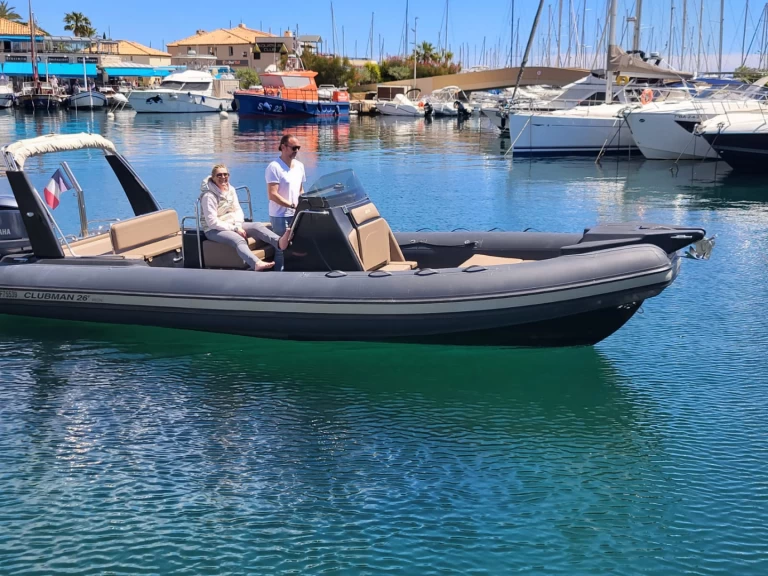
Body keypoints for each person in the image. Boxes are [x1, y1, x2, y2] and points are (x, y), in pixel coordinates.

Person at [200, 164, 291, 271]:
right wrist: (235, 229)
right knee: (238, 239)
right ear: (213, 177)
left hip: (233, 224)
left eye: (226, 174)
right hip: (213, 230)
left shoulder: (231, 190)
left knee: (257, 226)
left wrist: (238, 225)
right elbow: (212, 222)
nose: (223, 177)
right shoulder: (209, 196)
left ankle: (279, 242)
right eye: (219, 175)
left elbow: (238, 210)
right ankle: (256, 263)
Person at [265, 134, 305, 271]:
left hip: (296, 214)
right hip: (280, 216)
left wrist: (303, 204)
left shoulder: (299, 166)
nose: (297, 151)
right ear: (283, 147)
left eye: (298, 148)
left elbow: (300, 190)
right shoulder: (274, 167)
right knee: (281, 249)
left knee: (296, 247)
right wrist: (291, 205)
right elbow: (272, 194)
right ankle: (278, 277)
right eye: (294, 148)